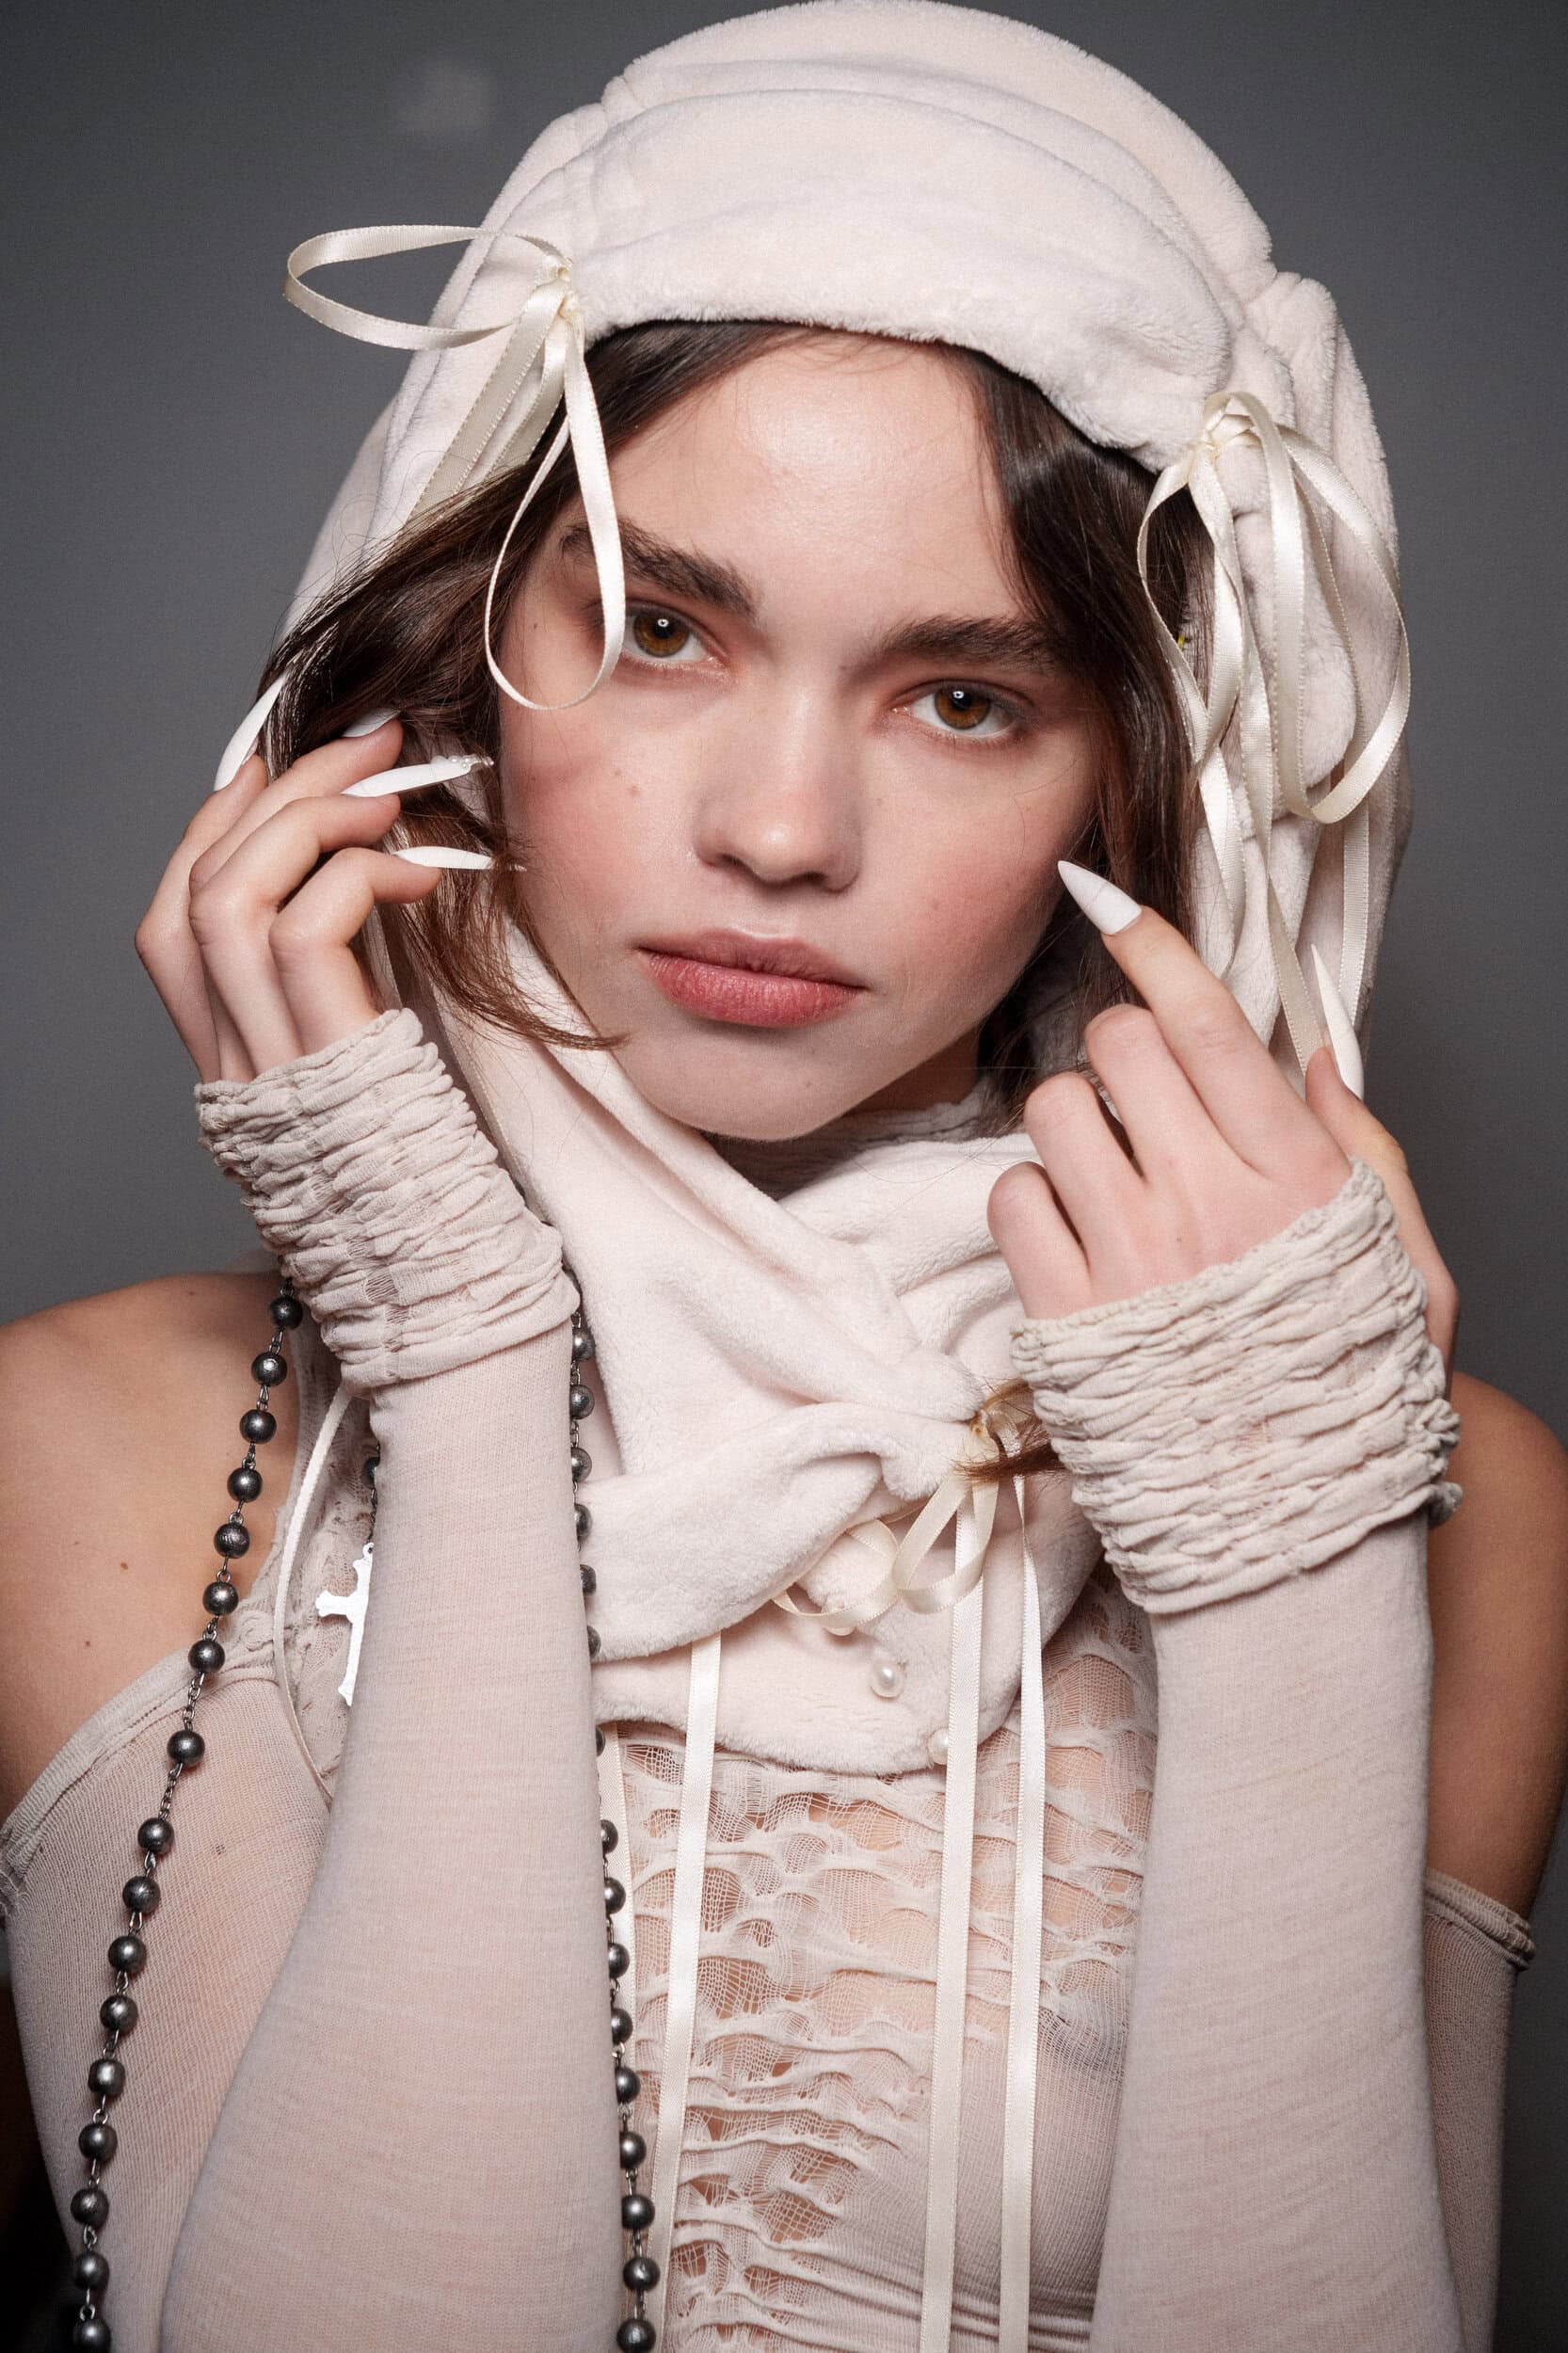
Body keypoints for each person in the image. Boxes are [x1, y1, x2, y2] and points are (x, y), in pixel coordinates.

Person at [2, 6, 1565, 2350]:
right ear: (458, 660)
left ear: (1130, 789)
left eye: (965, 696)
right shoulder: (90, 1443)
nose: (778, 830)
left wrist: (1286, 1555)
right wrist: (458, 1347)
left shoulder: (1455, 1507)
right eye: (659, 629)